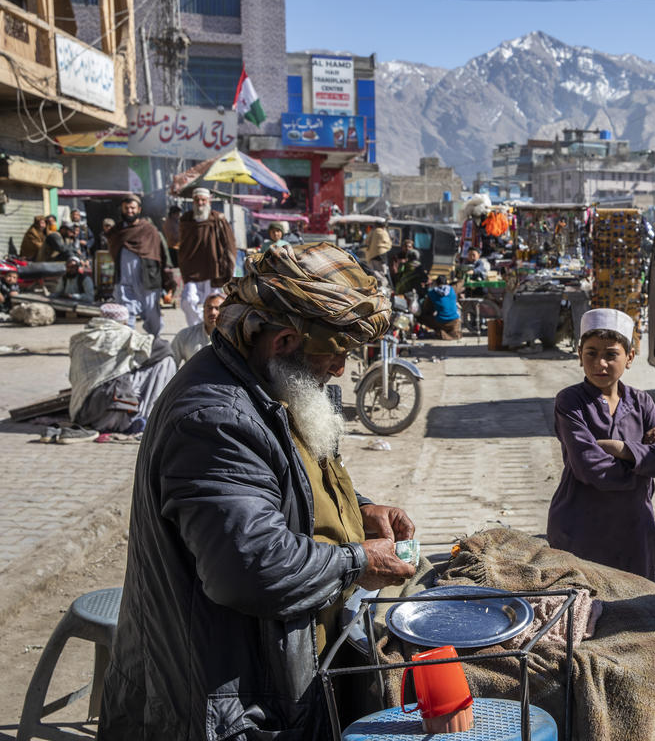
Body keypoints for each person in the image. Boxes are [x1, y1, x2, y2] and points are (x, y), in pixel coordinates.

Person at [99, 242, 419, 739]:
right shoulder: (216, 420)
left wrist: (362, 510)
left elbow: (285, 486)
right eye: (336, 355)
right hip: (224, 704)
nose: (341, 370)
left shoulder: (266, 385)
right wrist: (358, 562)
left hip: (269, 672)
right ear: (284, 340)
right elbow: (251, 569)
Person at [546, 308, 655, 580]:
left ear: (629, 357)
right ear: (580, 354)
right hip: (581, 527)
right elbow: (589, 468)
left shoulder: (641, 402)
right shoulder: (570, 402)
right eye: (591, 353)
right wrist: (642, 456)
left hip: (634, 531)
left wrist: (619, 448)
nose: (600, 364)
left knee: (636, 608)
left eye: (611, 354)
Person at [67, 302, 177, 436]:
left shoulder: (82, 337)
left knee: (122, 370)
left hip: (81, 411)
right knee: (166, 361)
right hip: (108, 407)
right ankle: (148, 416)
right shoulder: (122, 334)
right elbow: (164, 348)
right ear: (124, 322)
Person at [106, 194, 171, 336]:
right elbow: (112, 251)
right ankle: (129, 345)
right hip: (124, 280)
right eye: (126, 208)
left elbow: (162, 252)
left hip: (148, 279)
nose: (129, 211)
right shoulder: (116, 232)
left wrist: (168, 278)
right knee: (125, 314)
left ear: (139, 209)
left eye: (132, 208)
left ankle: (155, 344)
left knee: (153, 317)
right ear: (122, 210)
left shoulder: (149, 229)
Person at [178, 187, 237, 327]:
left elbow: (229, 244)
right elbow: (182, 246)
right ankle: (198, 328)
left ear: (208, 201)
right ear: (193, 201)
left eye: (203, 200)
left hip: (214, 271)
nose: (200, 203)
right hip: (193, 271)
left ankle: (213, 330)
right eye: (197, 200)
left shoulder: (218, 219)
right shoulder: (186, 219)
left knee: (214, 303)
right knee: (188, 300)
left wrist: (230, 268)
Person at [170, 291, 225, 366]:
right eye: (209, 308)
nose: (213, 312)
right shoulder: (186, 335)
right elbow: (171, 363)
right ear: (203, 310)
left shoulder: (233, 339)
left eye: (217, 308)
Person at [417, 274, 462, 339]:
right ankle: (447, 333)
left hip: (441, 322)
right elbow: (461, 281)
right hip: (455, 321)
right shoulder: (453, 289)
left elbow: (426, 309)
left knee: (422, 317)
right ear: (446, 282)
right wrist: (451, 283)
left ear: (436, 283)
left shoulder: (432, 293)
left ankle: (440, 332)